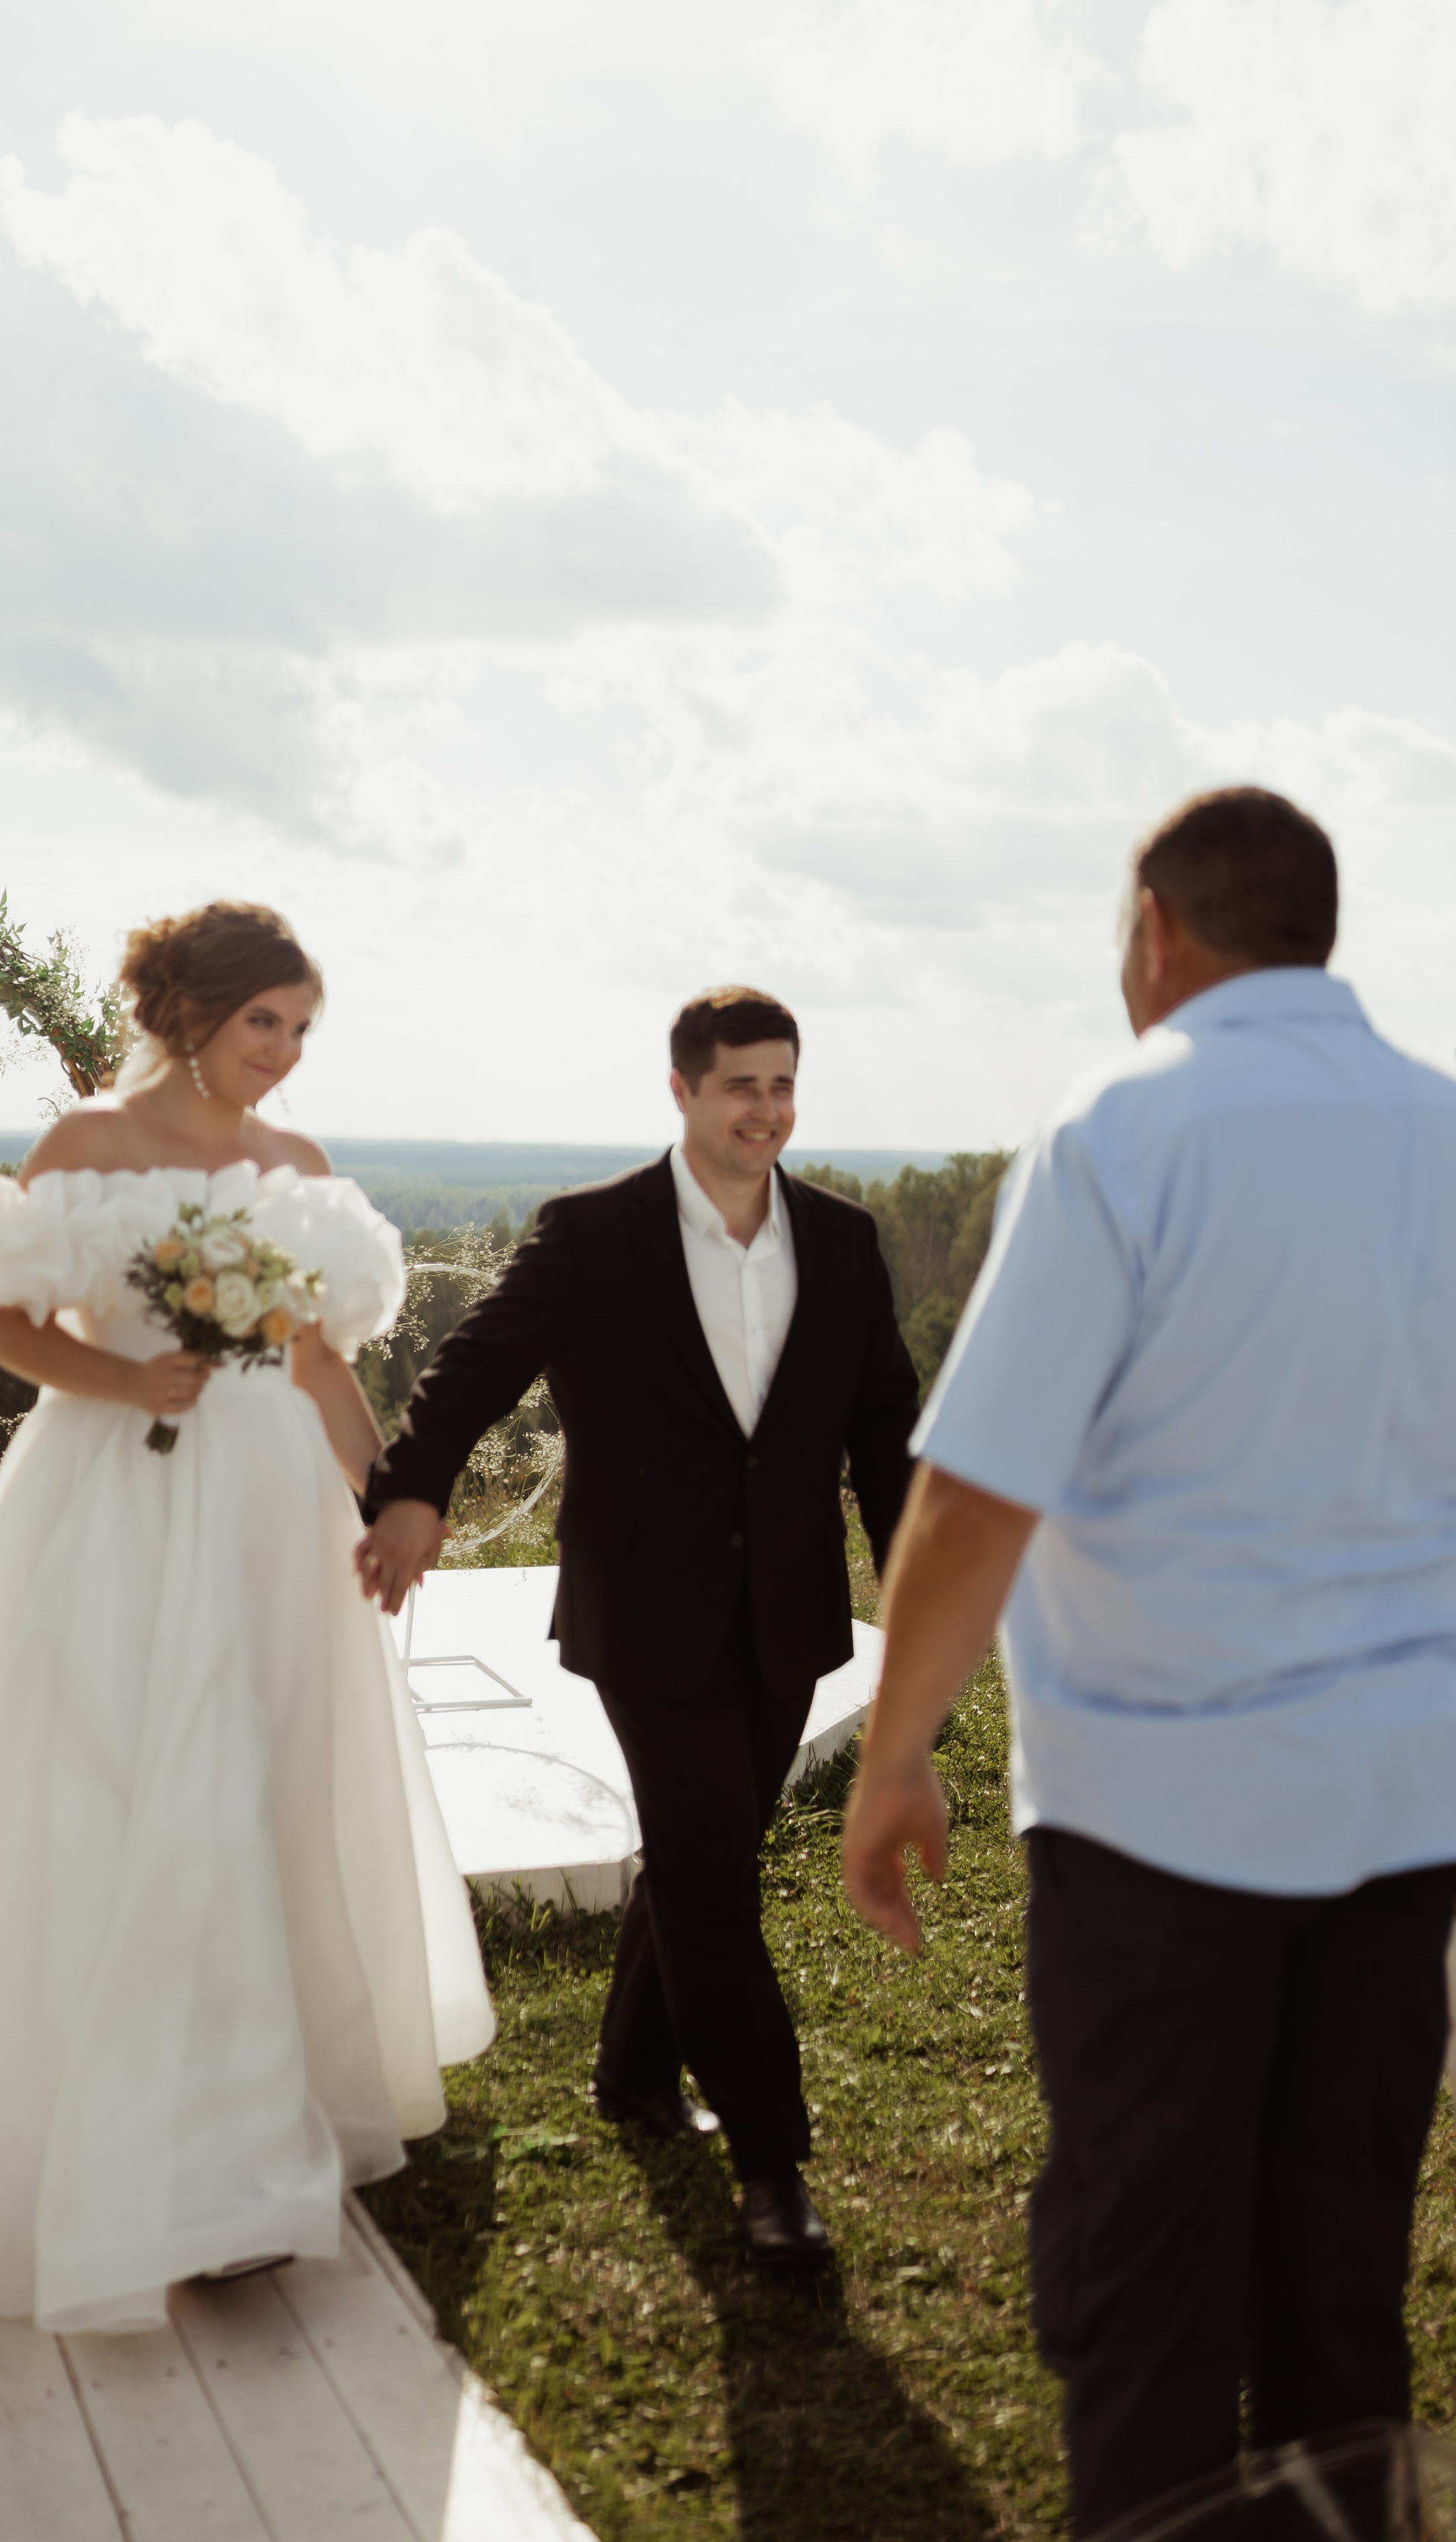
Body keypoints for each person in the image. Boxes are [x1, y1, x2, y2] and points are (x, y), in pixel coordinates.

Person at [841, 790, 1456, 2533]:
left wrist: (894, 1752)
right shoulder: (1445, 1126)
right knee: (1341, 2274)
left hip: (1166, 1816)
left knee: (1147, 2284)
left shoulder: (1124, 1122)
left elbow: (978, 1494)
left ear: (1159, 930)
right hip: (1408, 1804)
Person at [0, 900, 492, 2332]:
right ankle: (183, 2157)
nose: (283, 1052)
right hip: (115, 1498)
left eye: (300, 1027)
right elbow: (9, 1325)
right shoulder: (86, 1147)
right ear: (189, 1015)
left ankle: (241, 2120)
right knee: (124, 1787)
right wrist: (129, 1379)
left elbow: (318, 1366)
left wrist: (390, 1500)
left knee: (258, 1788)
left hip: (271, 1513)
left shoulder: (298, 1170)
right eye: (262, 1022)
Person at [355, 987, 921, 2269]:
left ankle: (630, 2070)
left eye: (782, 1084)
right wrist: (412, 1489)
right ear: (682, 1089)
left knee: (704, 1846)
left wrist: (915, 1583)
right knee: (716, 1871)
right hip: (646, 1608)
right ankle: (771, 2163)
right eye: (741, 1085)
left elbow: (884, 1425)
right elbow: (475, 1364)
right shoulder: (592, 1233)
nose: (766, 1110)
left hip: (787, 1608)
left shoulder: (841, 1239)